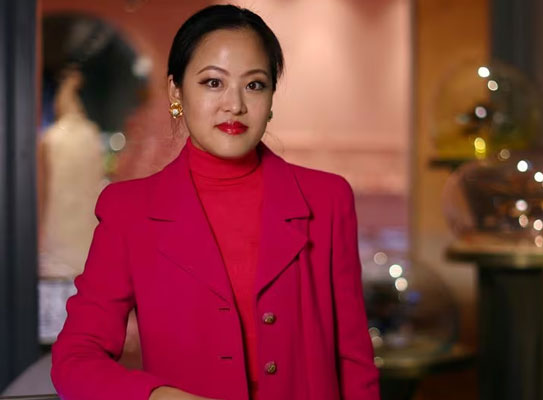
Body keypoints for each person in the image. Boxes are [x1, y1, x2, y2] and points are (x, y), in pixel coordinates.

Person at [50, 5, 379, 400]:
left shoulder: (327, 200)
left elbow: (355, 364)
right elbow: (74, 359)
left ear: (272, 96)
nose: (235, 105)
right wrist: (159, 396)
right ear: (176, 91)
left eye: (254, 85)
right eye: (212, 83)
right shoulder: (129, 211)